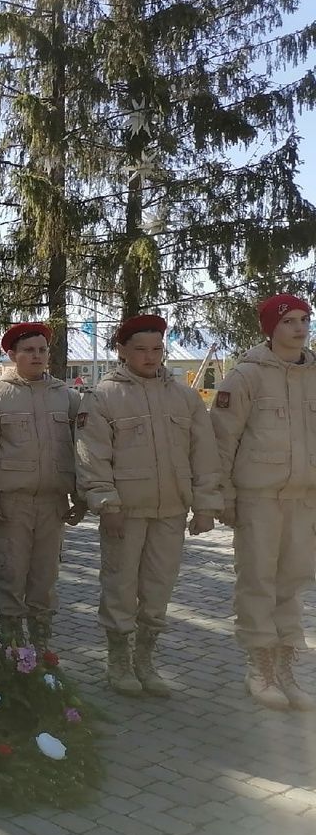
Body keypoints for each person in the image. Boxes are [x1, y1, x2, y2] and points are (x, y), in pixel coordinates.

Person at [75, 314, 222, 698]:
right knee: (121, 586)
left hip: (171, 511)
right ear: (121, 351)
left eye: (157, 348)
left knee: (159, 588)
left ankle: (146, 660)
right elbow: (92, 456)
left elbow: (204, 454)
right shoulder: (103, 396)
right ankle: (119, 660)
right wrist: (107, 504)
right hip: (125, 512)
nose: (150, 356)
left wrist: (205, 505)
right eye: (140, 349)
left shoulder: (184, 397)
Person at [211, 294, 316, 711]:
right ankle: (259, 668)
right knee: (258, 581)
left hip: (303, 499)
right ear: (271, 327)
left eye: (305, 319)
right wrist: (223, 496)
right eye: (290, 320)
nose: (300, 327)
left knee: (292, 582)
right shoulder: (246, 376)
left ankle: (286, 670)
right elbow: (221, 441)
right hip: (258, 497)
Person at [0, 322, 86, 650]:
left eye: (42, 350)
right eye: (28, 351)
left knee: (45, 578)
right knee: (11, 573)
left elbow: (84, 450)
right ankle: (12, 642)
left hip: (53, 503)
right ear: (12, 355)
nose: (37, 356)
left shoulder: (67, 397)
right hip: (10, 504)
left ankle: (42, 644)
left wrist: (82, 496)